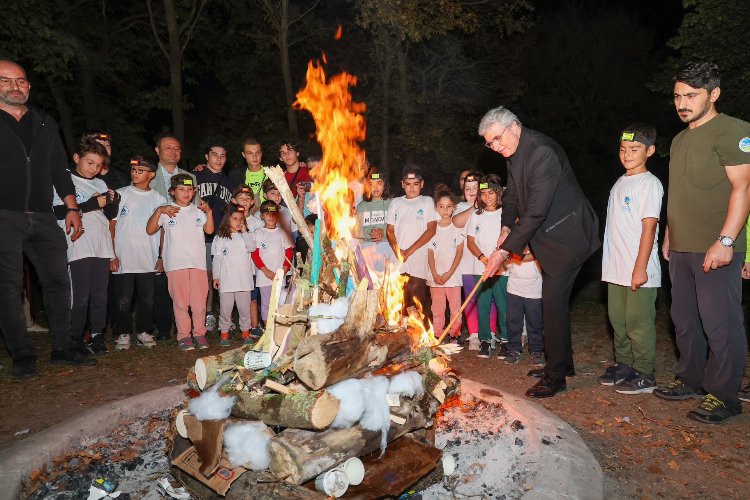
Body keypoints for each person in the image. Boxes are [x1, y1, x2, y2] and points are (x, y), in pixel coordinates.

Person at [479, 106, 600, 398]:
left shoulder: (541, 152)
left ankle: (556, 375)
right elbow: (513, 197)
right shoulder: (514, 152)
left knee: (552, 303)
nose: (495, 147)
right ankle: (563, 364)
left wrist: (503, 252)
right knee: (555, 304)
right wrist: (506, 227)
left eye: (497, 139)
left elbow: (535, 212)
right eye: (489, 143)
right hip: (551, 238)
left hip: (569, 235)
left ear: (513, 127)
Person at [654, 62, 750, 423]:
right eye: (678, 96)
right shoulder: (679, 139)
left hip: (716, 247)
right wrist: (668, 235)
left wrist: (726, 241)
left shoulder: (734, 131)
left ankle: (725, 396)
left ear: (714, 94)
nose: (682, 103)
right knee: (683, 319)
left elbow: (744, 187)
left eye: (691, 95)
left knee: (720, 323)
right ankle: (690, 379)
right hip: (681, 246)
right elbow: (680, 193)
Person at [0, 59, 93, 378]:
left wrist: (72, 208)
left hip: (42, 216)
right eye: (6, 81)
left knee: (57, 282)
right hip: (4, 217)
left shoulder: (44, 122)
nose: (15, 86)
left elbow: (58, 169)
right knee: (8, 287)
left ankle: (63, 348)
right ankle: (22, 355)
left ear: (29, 86)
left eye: (21, 81)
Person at [599, 124, 663, 394]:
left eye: (634, 149)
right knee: (618, 320)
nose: (627, 154)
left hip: (639, 269)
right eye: (623, 149)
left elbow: (649, 228)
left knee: (638, 324)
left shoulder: (649, 183)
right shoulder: (620, 181)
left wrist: (640, 268)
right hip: (615, 268)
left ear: (649, 151)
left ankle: (646, 374)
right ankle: (624, 365)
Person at [52, 137, 119, 355]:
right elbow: (57, 212)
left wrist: (112, 202)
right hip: (79, 245)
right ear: (76, 158)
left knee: (100, 294)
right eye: (90, 162)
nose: (95, 168)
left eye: (99, 165)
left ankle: (97, 336)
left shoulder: (100, 183)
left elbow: (107, 215)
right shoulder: (64, 181)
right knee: (80, 296)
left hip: (102, 245)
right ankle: (74, 338)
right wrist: (92, 203)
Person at [146, 174, 214, 350]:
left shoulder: (198, 211)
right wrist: (160, 210)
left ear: (194, 191)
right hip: (176, 265)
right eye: (181, 189)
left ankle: (199, 333)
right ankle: (184, 335)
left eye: (190, 189)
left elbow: (209, 230)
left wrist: (209, 212)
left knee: (199, 302)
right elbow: (150, 229)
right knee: (180, 302)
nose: (186, 193)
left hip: (198, 264)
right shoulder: (168, 211)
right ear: (173, 191)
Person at [110, 157, 167, 350]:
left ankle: (144, 331)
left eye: (141, 170)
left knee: (147, 298)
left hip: (148, 257)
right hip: (124, 256)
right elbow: (112, 224)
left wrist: (161, 256)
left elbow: (163, 231)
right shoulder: (121, 194)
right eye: (134, 169)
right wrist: (112, 254)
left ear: (151, 174)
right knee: (123, 299)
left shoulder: (159, 199)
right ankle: (123, 333)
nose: (135, 173)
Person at [150, 133, 195, 340]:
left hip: (180, 239)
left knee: (183, 285)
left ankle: (183, 326)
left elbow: (194, 209)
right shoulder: (149, 175)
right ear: (157, 151)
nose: (173, 152)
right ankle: (162, 326)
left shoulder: (190, 176)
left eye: (177, 148)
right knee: (158, 284)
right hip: (152, 235)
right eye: (168, 147)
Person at [453, 172, 498, 350]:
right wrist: (474, 206)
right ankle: (473, 334)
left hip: (486, 258)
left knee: (490, 297)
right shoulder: (460, 206)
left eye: (475, 188)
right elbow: (457, 222)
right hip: (466, 260)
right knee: (470, 297)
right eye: (467, 189)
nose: (471, 191)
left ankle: (491, 333)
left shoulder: (490, 206)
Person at [386, 165, 438, 316]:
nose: (412, 188)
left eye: (416, 184)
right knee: (399, 302)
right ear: (402, 184)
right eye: (408, 184)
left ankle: (417, 335)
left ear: (422, 184)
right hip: (398, 260)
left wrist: (409, 251)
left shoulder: (426, 201)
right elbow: (389, 230)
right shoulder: (396, 203)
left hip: (417, 259)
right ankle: (400, 334)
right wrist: (398, 251)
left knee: (417, 301)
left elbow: (431, 229)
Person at [466, 175, 507, 358]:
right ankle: (485, 340)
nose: (487, 197)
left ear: (498, 192)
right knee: (482, 305)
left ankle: (506, 340)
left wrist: (498, 260)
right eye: (483, 194)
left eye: (490, 192)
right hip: (480, 268)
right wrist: (483, 259)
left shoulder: (505, 213)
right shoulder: (476, 215)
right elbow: (470, 242)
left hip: (502, 269)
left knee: (503, 305)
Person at [195, 142, 234, 330]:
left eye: (223, 155)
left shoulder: (229, 182)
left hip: (223, 235)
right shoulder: (195, 176)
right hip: (200, 235)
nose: (218, 159)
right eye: (214, 155)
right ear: (206, 157)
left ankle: (225, 315)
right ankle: (207, 312)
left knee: (223, 274)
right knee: (206, 275)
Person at [212, 204, 257, 346]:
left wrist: (244, 233)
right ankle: (224, 333)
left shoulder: (246, 236)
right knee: (226, 309)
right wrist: (216, 277)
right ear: (227, 220)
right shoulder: (220, 238)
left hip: (244, 281)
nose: (238, 221)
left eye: (241, 219)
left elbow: (252, 248)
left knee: (244, 309)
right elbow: (217, 259)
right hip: (227, 281)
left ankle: (245, 332)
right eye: (235, 218)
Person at [427, 185, 464, 343]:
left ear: (454, 208)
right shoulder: (432, 229)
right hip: (435, 278)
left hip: (453, 277)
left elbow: (459, 252)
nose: (445, 210)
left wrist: (449, 273)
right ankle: (438, 334)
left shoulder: (457, 229)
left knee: (455, 308)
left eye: (449, 207)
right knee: (437, 308)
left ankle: (454, 334)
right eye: (441, 207)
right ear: (436, 208)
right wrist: (435, 274)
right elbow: (430, 253)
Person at [251, 200, 294, 323]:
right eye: (267, 214)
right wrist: (266, 271)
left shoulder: (282, 233)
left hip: (280, 275)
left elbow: (289, 252)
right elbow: (255, 254)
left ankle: (279, 329)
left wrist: (284, 270)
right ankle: (268, 329)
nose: (271, 217)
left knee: (280, 302)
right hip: (265, 276)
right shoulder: (258, 233)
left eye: (274, 214)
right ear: (261, 216)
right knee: (266, 303)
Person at [231, 185, 264, 339]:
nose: (244, 201)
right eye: (241, 198)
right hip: (234, 267)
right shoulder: (229, 221)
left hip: (252, 267)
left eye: (248, 199)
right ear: (233, 200)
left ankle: (254, 325)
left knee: (252, 298)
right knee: (232, 297)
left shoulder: (257, 222)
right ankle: (230, 324)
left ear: (252, 202)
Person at [355, 170, 396, 286]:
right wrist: (371, 234)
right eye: (371, 184)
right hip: (368, 248)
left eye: (379, 183)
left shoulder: (393, 204)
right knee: (370, 284)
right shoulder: (362, 206)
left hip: (388, 246)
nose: (375, 187)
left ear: (385, 185)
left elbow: (399, 228)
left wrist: (383, 232)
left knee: (388, 284)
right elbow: (355, 230)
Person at [505, 250, 544, 366]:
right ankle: (513, 350)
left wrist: (510, 254)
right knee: (513, 320)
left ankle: (537, 351)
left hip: (534, 288)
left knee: (535, 322)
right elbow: (505, 259)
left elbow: (536, 254)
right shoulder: (514, 239)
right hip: (514, 287)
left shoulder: (535, 239)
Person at [230, 137, 267, 204]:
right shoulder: (235, 176)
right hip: (245, 213)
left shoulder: (272, 174)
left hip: (269, 212)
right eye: (250, 153)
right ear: (244, 155)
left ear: (261, 153)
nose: (254, 156)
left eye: (257, 153)